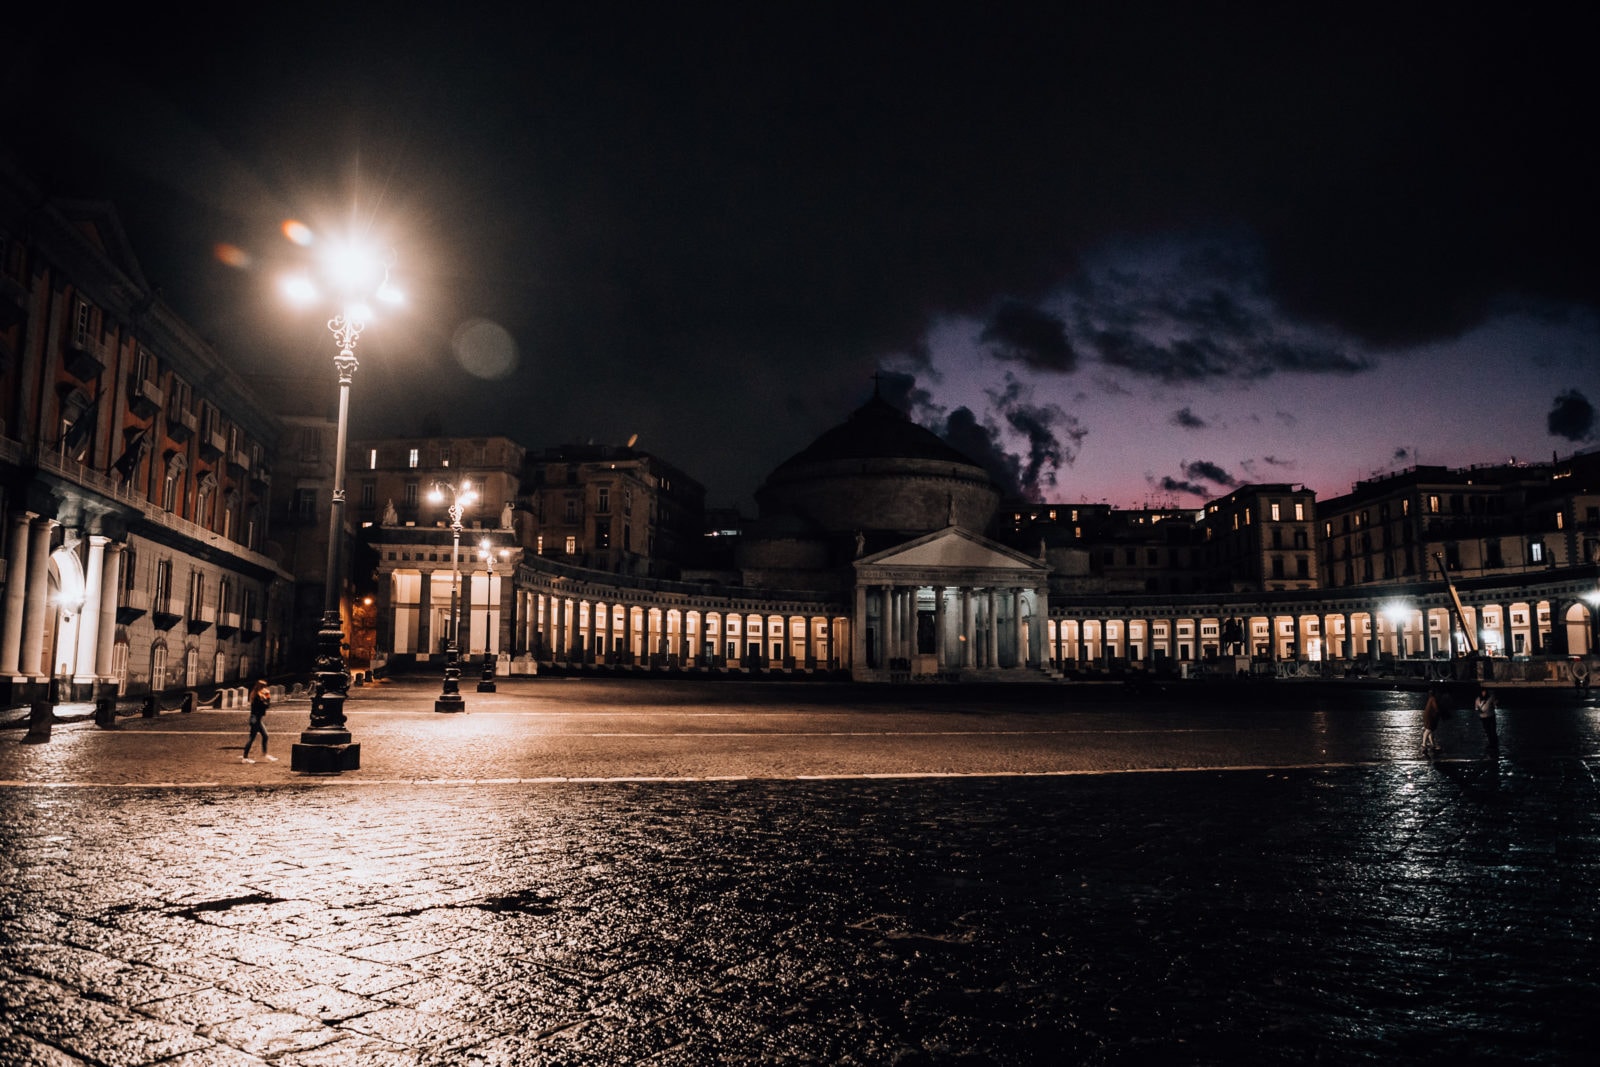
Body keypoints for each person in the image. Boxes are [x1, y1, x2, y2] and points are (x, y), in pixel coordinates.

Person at [242, 678, 277, 763]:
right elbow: (265, 706)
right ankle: (245, 757)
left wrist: (266, 699)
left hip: (256, 718)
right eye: (264, 686)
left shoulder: (259, 695)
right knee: (252, 738)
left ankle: (265, 754)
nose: (266, 688)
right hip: (256, 719)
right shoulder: (258, 696)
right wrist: (268, 699)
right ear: (261, 687)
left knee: (265, 736)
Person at [1474, 686, 1499, 755]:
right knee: (1487, 730)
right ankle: (1491, 743)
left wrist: (1494, 705)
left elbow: (1495, 703)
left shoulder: (1490, 698)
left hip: (1490, 716)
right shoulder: (1478, 699)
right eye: (1482, 692)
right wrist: (1479, 710)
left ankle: (1494, 742)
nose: (1483, 693)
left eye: (1484, 692)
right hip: (1483, 717)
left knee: (1492, 730)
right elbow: (1476, 708)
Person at [1420, 687, 1442, 756]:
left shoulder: (1431, 698)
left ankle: (1432, 744)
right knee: (1428, 730)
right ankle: (1423, 744)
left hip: (1429, 716)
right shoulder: (1433, 699)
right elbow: (1436, 708)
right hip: (1430, 717)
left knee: (1430, 731)